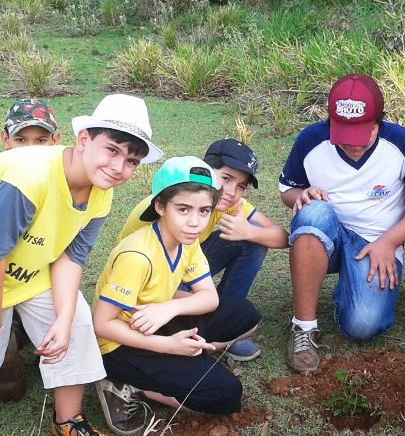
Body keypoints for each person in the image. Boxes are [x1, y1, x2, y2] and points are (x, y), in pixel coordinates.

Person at [0, 94, 161, 436]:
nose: (119, 167)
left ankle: (68, 420)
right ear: (83, 140)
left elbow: (70, 257)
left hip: (30, 256)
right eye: (112, 150)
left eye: (131, 160)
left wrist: (64, 319)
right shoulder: (30, 178)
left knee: (77, 323)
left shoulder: (101, 193)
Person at [279, 73, 405, 373]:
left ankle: (350, 289)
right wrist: (301, 195)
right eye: (343, 134)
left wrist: (389, 242)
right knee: (312, 213)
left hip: (377, 242)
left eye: (362, 134)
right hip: (326, 233)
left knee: (363, 325)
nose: (353, 145)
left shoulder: (404, 144)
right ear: (330, 122)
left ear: (380, 121)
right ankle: (303, 327)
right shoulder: (311, 140)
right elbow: (287, 191)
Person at [92, 157, 261, 436]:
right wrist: (167, 346)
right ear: (160, 206)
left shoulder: (186, 239)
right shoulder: (137, 256)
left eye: (204, 210)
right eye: (183, 209)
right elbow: (102, 325)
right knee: (227, 395)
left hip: (153, 320)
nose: (195, 222)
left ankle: (188, 356)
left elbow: (209, 297)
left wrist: (167, 308)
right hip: (118, 345)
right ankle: (128, 385)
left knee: (245, 314)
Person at [118, 138, 287, 364]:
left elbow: (283, 237)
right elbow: (139, 285)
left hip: (185, 262)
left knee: (252, 242)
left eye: (241, 186)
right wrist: (196, 300)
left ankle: (225, 324)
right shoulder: (166, 204)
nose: (231, 192)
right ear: (206, 170)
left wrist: (249, 232)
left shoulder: (227, 203)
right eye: (226, 178)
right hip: (147, 281)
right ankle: (209, 327)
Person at [0, 98, 61, 403]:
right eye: (21, 139)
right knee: (10, 390)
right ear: (5, 139)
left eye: (41, 140)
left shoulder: (63, 182)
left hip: (36, 279)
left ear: (55, 141)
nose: (31, 149)